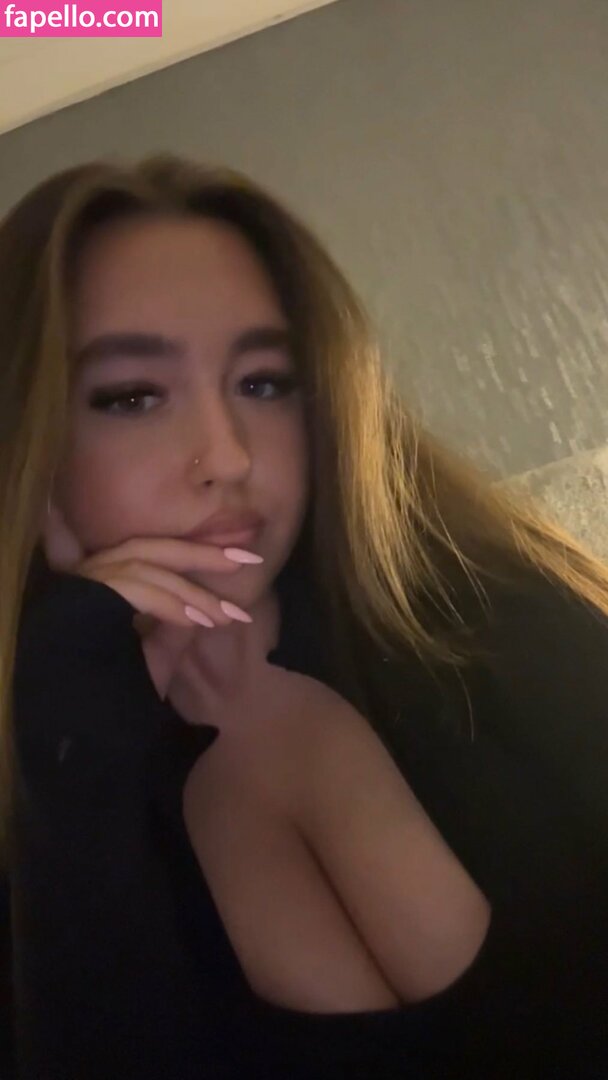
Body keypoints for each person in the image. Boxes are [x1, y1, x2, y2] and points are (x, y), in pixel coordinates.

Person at [0, 154, 606, 1080]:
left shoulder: (496, 618)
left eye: (264, 382)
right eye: (131, 396)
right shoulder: (45, 789)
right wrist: (73, 772)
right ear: (28, 443)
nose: (227, 456)